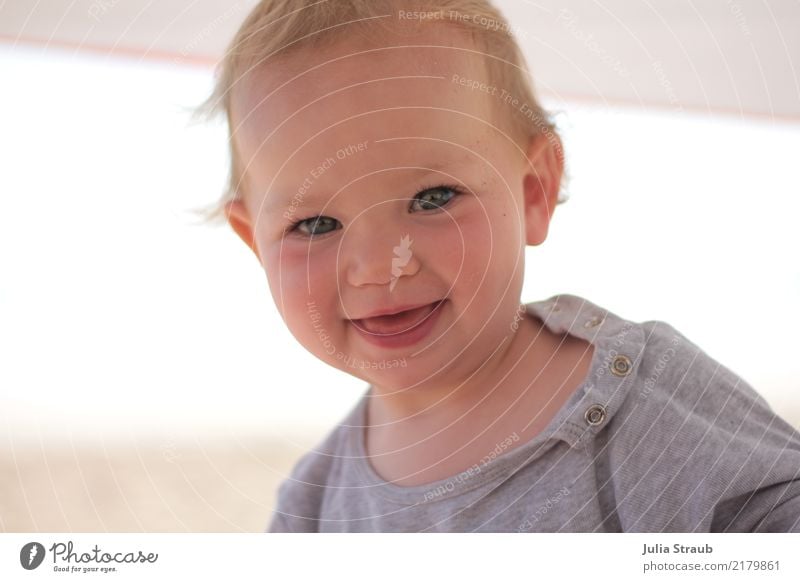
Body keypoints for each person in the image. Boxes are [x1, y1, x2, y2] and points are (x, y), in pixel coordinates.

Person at [192, 0, 800, 532]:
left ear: (533, 191)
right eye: (315, 225)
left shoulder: (640, 400)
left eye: (432, 198)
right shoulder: (316, 509)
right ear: (256, 243)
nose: (377, 267)